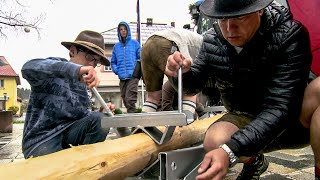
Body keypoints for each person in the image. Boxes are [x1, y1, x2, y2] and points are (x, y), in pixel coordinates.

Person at [165, 0, 319, 179]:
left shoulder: (289, 34)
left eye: (240, 17)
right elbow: (194, 86)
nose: (230, 28)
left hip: (294, 119)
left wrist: (231, 150)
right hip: (246, 115)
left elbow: (281, 107)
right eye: (222, 18)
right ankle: (255, 163)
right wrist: (180, 74)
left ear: (259, 10)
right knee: (215, 140)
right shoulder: (212, 40)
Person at [21, 30, 114, 158]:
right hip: (42, 139)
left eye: (96, 62)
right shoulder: (55, 68)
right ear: (72, 51)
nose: (92, 64)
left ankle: (85, 164)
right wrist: (76, 70)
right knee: (55, 172)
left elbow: (82, 116)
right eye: (89, 57)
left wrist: (100, 111)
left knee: (101, 120)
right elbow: (28, 68)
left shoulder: (84, 84)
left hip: (69, 133)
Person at [141, 29, 205, 120]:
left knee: (153, 97)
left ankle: (142, 126)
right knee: (190, 92)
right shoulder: (206, 47)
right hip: (168, 43)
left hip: (147, 45)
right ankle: (187, 126)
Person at [111, 21, 141, 113]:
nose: (123, 31)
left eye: (125, 29)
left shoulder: (134, 43)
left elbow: (140, 58)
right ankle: (133, 120)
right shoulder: (116, 46)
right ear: (119, 32)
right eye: (121, 29)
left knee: (130, 99)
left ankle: (133, 122)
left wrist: (136, 71)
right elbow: (113, 62)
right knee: (124, 98)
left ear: (128, 30)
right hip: (122, 77)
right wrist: (117, 71)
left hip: (133, 76)